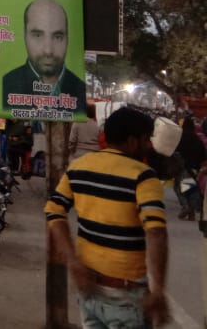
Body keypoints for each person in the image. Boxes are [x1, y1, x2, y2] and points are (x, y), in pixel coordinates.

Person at [45, 106, 169, 328]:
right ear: (132, 141)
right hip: (127, 294)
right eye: (146, 139)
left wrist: (73, 262)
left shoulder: (78, 167)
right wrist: (158, 290)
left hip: (88, 288)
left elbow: (54, 211)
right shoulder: (143, 175)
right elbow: (156, 231)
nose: (149, 145)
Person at [1, 0, 86, 111]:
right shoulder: (6, 85)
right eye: (37, 35)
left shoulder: (81, 90)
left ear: (68, 38)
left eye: (58, 37)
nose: (48, 50)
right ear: (24, 36)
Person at [174, 116, 205, 220]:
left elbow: (175, 151)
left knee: (179, 187)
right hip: (194, 169)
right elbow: (203, 155)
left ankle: (185, 206)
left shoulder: (180, 137)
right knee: (189, 188)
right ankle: (191, 212)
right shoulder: (197, 140)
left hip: (182, 167)